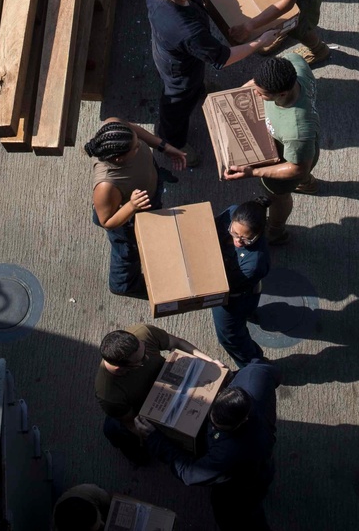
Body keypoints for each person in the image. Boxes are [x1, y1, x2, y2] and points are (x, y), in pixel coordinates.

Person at [147, 0, 282, 158]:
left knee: (195, 81)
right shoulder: (189, 31)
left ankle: (199, 89)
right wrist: (259, 42)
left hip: (169, 47)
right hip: (178, 68)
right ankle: (172, 142)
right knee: (177, 103)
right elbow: (224, 58)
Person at [150, 360, 278, 531]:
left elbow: (190, 473)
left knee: (236, 515)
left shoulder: (228, 452)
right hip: (264, 459)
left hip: (243, 483)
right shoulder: (255, 375)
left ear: (241, 422)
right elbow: (272, 371)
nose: (212, 424)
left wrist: (155, 439)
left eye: (217, 427)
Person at [225, 52, 319, 243]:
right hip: (301, 150)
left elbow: (297, 167)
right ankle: (307, 184)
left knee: (278, 196)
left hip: (289, 159)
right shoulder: (294, 63)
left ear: (282, 93)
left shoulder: (297, 129)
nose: (256, 93)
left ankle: (276, 231)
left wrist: (253, 172)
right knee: (302, 175)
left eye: (261, 93)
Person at [88, 116, 187, 295]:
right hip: (128, 219)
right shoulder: (106, 186)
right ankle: (124, 286)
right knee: (127, 252)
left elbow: (136, 131)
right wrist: (132, 206)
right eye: (135, 148)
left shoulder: (117, 128)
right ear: (118, 159)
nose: (140, 145)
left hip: (147, 196)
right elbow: (107, 221)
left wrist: (164, 147)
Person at [95, 322, 199, 465]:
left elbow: (178, 342)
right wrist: (169, 441)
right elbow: (132, 423)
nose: (147, 358)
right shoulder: (109, 395)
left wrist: (210, 362)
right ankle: (138, 455)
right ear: (120, 369)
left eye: (144, 350)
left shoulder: (143, 333)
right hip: (144, 408)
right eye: (141, 360)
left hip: (167, 382)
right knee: (114, 428)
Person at [212, 200, 271, 366]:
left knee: (230, 336)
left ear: (258, 234)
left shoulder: (255, 263)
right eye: (234, 232)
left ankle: (253, 364)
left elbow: (225, 285)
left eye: (246, 239)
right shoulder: (233, 212)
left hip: (234, 297)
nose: (238, 241)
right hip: (245, 288)